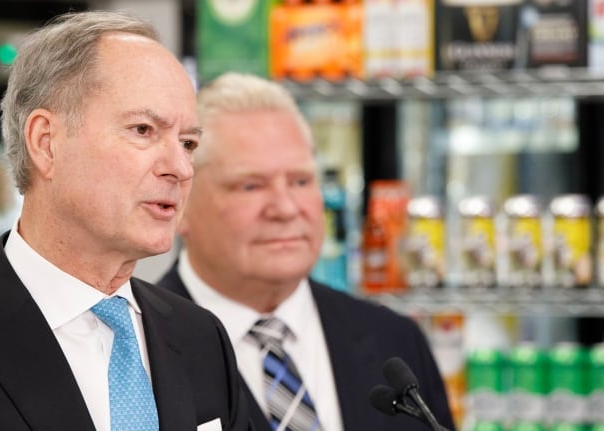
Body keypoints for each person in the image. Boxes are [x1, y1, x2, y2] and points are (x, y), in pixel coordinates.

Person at [0, 11, 251, 431]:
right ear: (46, 143)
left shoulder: (201, 338)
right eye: (142, 130)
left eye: (188, 142)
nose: (180, 167)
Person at [154, 72, 455, 431]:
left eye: (301, 181)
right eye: (250, 186)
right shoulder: (139, 350)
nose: (285, 208)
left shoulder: (395, 340)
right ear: (181, 201)